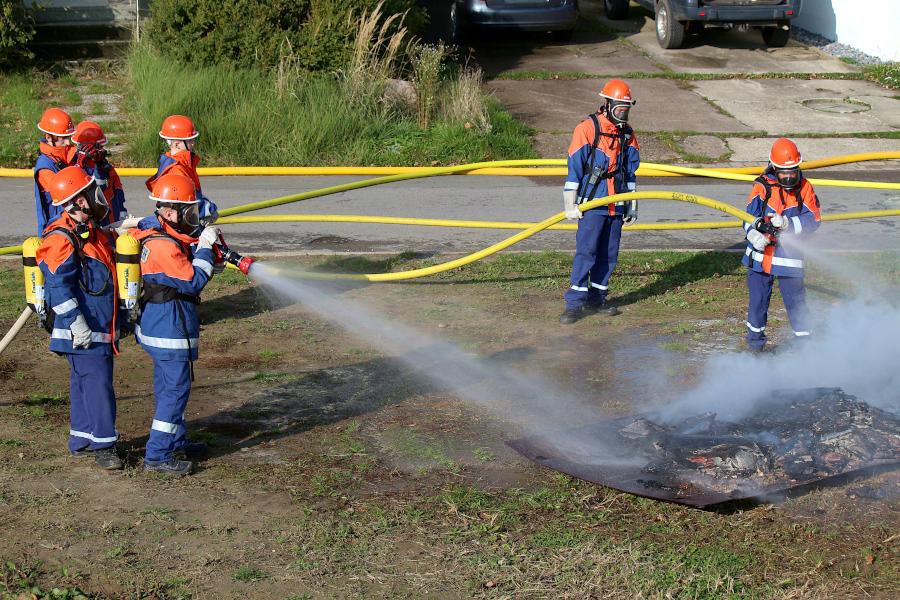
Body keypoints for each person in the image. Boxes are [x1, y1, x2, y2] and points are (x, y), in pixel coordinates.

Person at [129, 173, 220, 475]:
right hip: (169, 328)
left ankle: (175, 440)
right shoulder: (162, 247)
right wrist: (205, 249)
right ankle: (157, 455)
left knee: (168, 387)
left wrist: (203, 248)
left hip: (161, 326)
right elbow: (192, 281)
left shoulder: (160, 233)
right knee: (175, 391)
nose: (193, 218)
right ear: (168, 213)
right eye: (188, 212)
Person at [35, 167, 122, 470]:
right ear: (75, 202)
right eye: (88, 194)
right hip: (84, 328)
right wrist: (76, 322)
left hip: (96, 325)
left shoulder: (88, 230)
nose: (95, 199)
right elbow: (58, 284)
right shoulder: (61, 238)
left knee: (84, 383)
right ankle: (105, 445)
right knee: (98, 385)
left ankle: (82, 438)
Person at [559, 79, 641, 324]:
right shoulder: (586, 129)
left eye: (626, 109)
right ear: (607, 104)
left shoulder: (627, 135)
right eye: (619, 108)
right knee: (587, 252)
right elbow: (573, 170)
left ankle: (597, 299)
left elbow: (630, 173)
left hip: (617, 204)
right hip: (592, 204)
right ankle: (575, 304)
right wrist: (569, 205)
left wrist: (632, 205)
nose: (623, 114)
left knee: (609, 255)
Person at [743, 138, 822, 352]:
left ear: (798, 167)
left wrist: (788, 224)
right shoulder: (762, 186)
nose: (789, 177)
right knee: (758, 304)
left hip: (790, 258)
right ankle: (755, 347)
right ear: (774, 168)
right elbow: (747, 217)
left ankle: (805, 347)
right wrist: (753, 236)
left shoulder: (805, 188)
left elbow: (813, 220)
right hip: (760, 258)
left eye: (792, 172)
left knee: (797, 304)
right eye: (784, 173)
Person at [144, 115, 219, 225]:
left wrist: (206, 204)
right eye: (189, 140)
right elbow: (185, 201)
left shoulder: (182, 163)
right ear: (176, 144)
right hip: (182, 222)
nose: (193, 143)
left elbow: (194, 192)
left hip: (184, 219)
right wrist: (206, 210)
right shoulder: (176, 169)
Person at [71, 121, 127, 226]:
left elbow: (118, 193)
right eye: (99, 147)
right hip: (93, 225)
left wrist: (122, 214)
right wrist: (80, 166)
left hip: (111, 222)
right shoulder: (74, 168)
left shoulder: (106, 168)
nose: (102, 150)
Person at [34, 108, 76, 233]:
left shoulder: (68, 157)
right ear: (48, 137)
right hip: (57, 229)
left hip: (72, 224)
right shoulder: (44, 168)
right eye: (63, 138)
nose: (68, 142)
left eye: (68, 136)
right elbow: (68, 194)